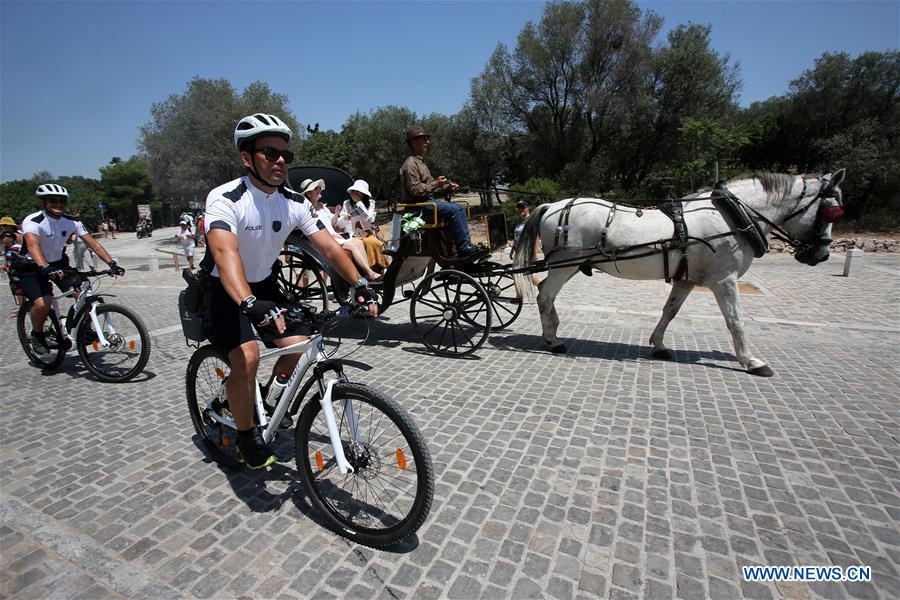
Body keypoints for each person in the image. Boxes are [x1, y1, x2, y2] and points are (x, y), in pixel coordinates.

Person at [203, 113, 378, 469]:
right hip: (226, 287)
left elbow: (329, 247)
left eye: (285, 154)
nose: (280, 160)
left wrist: (359, 283)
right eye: (270, 152)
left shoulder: (295, 202)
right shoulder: (225, 197)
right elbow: (225, 253)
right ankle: (245, 436)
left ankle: (267, 401)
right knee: (247, 357)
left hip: (265, 282)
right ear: (247, 158)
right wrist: (248, 302)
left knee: (300, 345)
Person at [20, 184, 125, 355]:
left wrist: (111, 263)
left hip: (58, 263)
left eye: (62, 201)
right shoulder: (33, 221)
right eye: (53, 200)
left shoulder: (72, 221)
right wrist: (44, 266)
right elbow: (33, 246)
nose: (58, 204)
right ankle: (37, 334)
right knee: (43, 302)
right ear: (44, 202)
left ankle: (83, 329)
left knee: (82, 294)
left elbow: (94, 244)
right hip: (33, 266)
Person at [399, 126, 484, 257]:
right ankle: (464, 247)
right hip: (417, 207)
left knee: (459, 207)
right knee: (457, 209)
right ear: (413, 142)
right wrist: (436, 183)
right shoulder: (411, 164)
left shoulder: (421, 163)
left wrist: (447, 187)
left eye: (427, 139)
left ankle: (460, 246)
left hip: (427, 203)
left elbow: (432, 189)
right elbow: (416, 190)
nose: (428, 142)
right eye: (424, 139)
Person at [300, 179, 381, 281]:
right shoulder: (306, 209)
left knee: (358, 243)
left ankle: (365, 274)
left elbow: (334, 223)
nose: (319, 190)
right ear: (309, 193)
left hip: (334, 236)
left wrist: (339, 215)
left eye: (319, 188)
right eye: (316, 188)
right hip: (324, 240)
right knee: (353, 246)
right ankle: (370, 273)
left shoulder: (322, 206)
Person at [344, 179, 388, 273]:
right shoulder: (347, 203)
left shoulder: (370, 203)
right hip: (352, 232)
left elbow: (369, 219)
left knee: (376, 243)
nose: (354, 194)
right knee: (370, 242)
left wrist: (359, 203)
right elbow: (344, 219)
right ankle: (371, 268)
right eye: (353, 192)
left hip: (365, 232)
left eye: (358, 192)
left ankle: (380, 267)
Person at [510, 200, 541, 287]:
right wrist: (512, 250)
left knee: (527, 274)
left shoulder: (531, 221)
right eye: (519, 208)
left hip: (526, 252)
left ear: (527, 208)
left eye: (523, 207)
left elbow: (536, 237)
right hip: (518, 252)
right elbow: (516, 237)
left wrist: (535, 254)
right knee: (516, 274)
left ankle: (541, 286)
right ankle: (518, 296)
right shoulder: (520, 221)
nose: (521, 209)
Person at [1, 216, 25, 316]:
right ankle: (22, 307)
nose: (3, 228)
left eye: (5, 225)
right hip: (10, 267)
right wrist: (5, 264)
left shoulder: (17, 236)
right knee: (16, 287)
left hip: (18, 266)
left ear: (11, 226)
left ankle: (24, 307)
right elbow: (6, 252)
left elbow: (22, 251)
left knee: (21, 287)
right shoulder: (5, 237)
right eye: (2, 226)